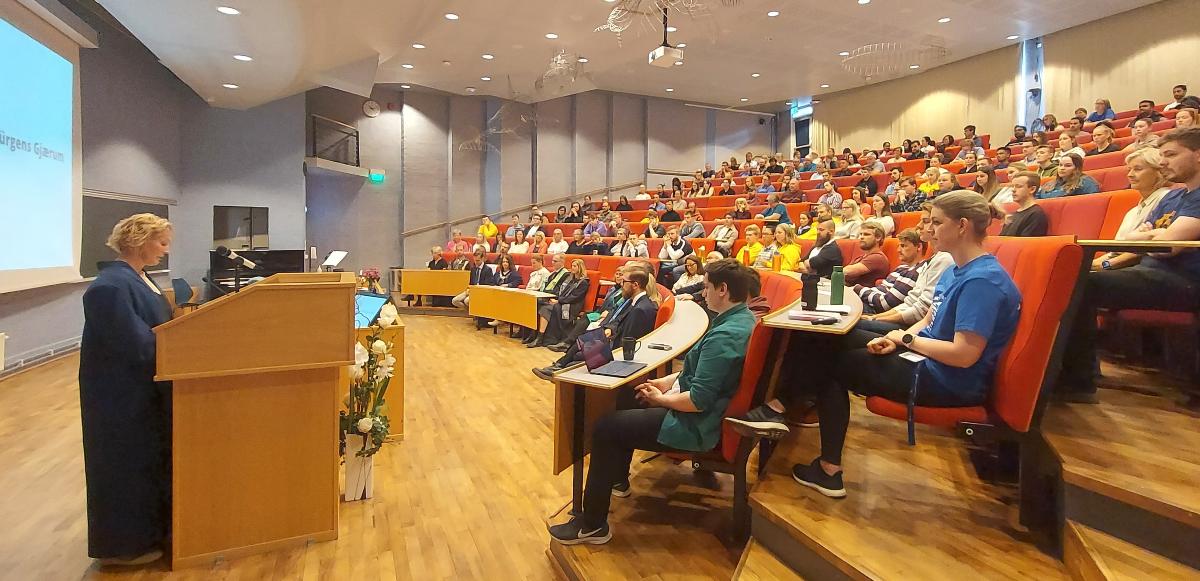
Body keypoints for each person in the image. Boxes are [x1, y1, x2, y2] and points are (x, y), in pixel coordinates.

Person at [728, 192, 1021, 499]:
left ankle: (823, 463)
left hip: (946, 379)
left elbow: (963, 355)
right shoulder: (956, 269)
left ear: (962, 226)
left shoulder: (981, 281)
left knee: (832, 366)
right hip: (925, 357)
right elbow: (930, 320)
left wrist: (904, 338)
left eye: (936, 222)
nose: (928, 230)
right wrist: (896, 338)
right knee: (821, 335)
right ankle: (781, 409)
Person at [548, 260, 757, 545]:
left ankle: (592, 524)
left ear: (723, 289)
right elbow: (700, 372)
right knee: (625, 397)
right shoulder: (739, 319)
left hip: (694, 424)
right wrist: (666, 383)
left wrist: (662, 399)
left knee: (606, 427)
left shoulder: (725, 335)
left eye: (706, 288)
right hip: (693, 407)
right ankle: (616, 480)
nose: (702, 293)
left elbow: (698, 400)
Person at [1057, 128, 1200, 403]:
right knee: (1073, 277)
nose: (1163, 162)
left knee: (1081, 282)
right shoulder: (1172, 198)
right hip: (1151, 272)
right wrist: (1148, 237)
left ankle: (1078, 380)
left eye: (1171, 154)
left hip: (1185, 280)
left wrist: (1149, 236)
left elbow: (1169, 246)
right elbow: (1136, 240)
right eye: (1162, 155)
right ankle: (1073, 373)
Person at [79, 214, 174, 567]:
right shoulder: (109, 286)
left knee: (148, 464)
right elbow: (135, 345)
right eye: (161, 243)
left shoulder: (140, 278)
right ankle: (123, 546)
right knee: (126, 468)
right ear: (138, 241)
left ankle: (152, 532)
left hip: (144, 392)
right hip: (121, 399)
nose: (165, 251)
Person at [533, 268, 659, 379]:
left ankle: (558, 372)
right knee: (581, 341)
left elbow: (628, 340)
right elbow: (619, 320)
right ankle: (557, 367)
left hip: (616, 350)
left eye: (624, 282)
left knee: (576, 360)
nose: (621, 284)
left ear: (635, 285)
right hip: (612, 338)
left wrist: (605, 341)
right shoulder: (636, 302)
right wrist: (609, 330)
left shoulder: (640, 308)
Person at [859, 203, 955, 333]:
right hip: (907, 323)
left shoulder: (945, 259)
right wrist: (875, 318)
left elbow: (921, 312)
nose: (919, 226)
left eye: (926, 221)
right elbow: (911, 302)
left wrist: (875, 319)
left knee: (851, 329)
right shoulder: (932, 260)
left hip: (913, 328)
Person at [1092, 147, 1171, 270]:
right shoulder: (1132, 212)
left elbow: (1145, 250)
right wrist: (1091, 265)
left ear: (1159, 171)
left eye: (1138, 169)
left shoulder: (1166, 199)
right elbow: (1115, 252)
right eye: (1129, 169)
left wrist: (1103, 266)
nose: (1130, 175)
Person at [856, 228, 925, 314]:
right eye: (898, 246)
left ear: (918, 247)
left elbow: (884, 304)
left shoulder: (916, 272)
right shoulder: (902, 267)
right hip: (869, 303)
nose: (898, 250)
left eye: (903, 246)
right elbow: (880, 289)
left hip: (877, 312)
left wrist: (857, 289)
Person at [528, 258, 591, 348]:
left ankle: (541, 338)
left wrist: (559, 301)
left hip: (572, 306)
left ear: (580, 267)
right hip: (563, 302)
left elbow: (574, 297)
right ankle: (538, 337)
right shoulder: (571, 279)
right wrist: (557, 300)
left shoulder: (584, 282)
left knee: (547, 308)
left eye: (575, 266)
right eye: (572, 266)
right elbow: (563, 293)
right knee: (542, 306)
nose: (572, 268)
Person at [840, 222, 891, 286]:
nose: (861, 237)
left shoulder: (877, 258)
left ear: (878, 238)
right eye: (860, 234)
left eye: (866, 234)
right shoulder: (862, 257)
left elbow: (846, 271)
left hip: (860, 294)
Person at [1000, 172, 1049, 236]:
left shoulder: (1036, 214)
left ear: (1032, 189)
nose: (1013, 190)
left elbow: (1026, 243)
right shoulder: (1012, 215)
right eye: (1013, 186)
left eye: (1019, 186)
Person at [452, 249, 494, 322]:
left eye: (478, 261)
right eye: (475, 261)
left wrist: (476, 290)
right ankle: (473, 313)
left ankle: (476, 314)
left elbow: (488, 284)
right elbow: (471, 282)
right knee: (455, 301)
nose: (476, 263)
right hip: (472, 290)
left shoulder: (488, 269)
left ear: (483, 259)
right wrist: (468, 289)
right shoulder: (473, 269)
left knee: (466, 301)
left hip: (480, 291)